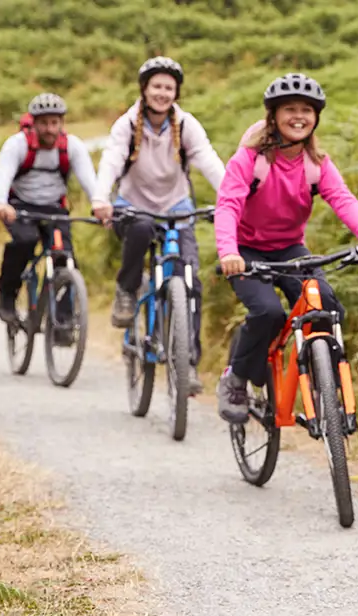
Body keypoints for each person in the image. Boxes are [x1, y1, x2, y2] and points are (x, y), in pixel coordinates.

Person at [213, 72, 358, 423]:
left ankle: (328, 387)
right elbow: (228, 205)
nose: (299, 116)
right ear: (273, 116)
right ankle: (235, 379)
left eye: (307, 110)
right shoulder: (250, 160)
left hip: (290, 248)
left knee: (326, 305)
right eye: (290, 109)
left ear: (316, 117)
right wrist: (229, 252)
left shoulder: (316, 164)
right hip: (246, 251)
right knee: (268, 313)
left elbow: (343, 200)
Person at [92, 56, 225, 395]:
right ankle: (127, 289)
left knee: (190, 280)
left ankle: (188, 364)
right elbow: (111, 159)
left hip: (177, 206)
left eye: (169, 87)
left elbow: (207, 159)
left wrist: (230, 197)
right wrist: (100, 198)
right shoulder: (128, 124)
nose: (162, 93)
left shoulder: (186, 124)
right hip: (133, 205)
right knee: (139, 229)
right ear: (144, 89)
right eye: (157, 86)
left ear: (176, 92)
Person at [0, 92, 98, 345]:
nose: (50, 128)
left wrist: (101, 205)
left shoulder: (72, 146)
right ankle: (8, 293)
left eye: (55, 122)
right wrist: (0, 203)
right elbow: (2, 176)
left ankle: (63, 322)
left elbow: (91, 183)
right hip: (19, 208)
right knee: (24, 242)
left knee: (66, 259)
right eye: (44, 123)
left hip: (54, 209)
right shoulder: (17, 145)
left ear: (62, 123)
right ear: (34, 123)